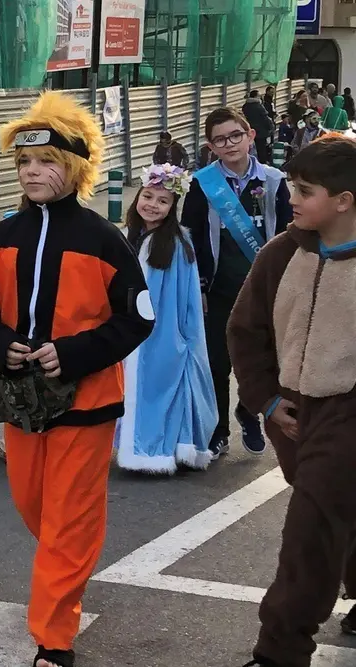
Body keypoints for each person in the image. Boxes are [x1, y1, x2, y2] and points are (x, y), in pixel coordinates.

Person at [0, 91, 153, 667]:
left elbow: (137, 316)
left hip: (88, 403)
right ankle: (66, 571)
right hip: (22, 403)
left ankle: (53, 638)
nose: (33, 172)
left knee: (68, 521)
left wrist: (75, 353)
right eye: (24, 163)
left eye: (47, 163)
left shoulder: (103, 239)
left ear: (74, 169)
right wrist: (0, 347)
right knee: (33, 506)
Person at [229, 135, 356, 667]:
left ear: (344, 199)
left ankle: (279, 651)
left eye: (305, 190)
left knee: (311, 525)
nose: (292, 198)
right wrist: (264, 400)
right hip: (290, 411)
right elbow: (246, 330)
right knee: (341, 514)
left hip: (348, 412)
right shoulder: (280, 254)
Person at [181, 107, 290, 460]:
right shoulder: (203, 183)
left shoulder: (274, 181)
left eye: (235, 136)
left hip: (263, 290)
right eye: (219, 140)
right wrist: (198, 286)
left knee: (260, 359)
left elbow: (291, 233)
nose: (229, 144)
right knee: (217, 361)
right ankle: (218, 430)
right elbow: (191, 237)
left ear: (250, 136)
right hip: (219, 288)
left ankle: (248, 410)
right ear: (210, 146)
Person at [115, 164, 217, 474]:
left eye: (163, 201)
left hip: (161, 332)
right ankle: (145, 449)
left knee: (155, 391)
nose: (153, 205)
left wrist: (171, 335)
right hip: (137, 330)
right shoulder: (134, 236)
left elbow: (176, 298)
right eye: (148, 196)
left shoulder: (173, 243)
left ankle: (154, 452)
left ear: (173, 208)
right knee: (143, 390)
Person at [244, 90, 276, 163]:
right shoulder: (258, 106)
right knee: (261, 150)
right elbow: (265, 118)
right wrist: (271, 127)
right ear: (256, 96)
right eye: (259, 96)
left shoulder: (245, 106)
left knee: (251, 149)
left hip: (250, 132)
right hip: (261, 132)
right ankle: (262, 165)